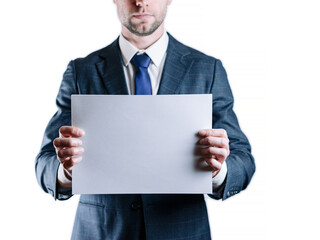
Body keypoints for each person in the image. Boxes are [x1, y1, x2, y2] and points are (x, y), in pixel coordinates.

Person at [35, 0, 255, 239]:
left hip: (181, 231)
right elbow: (44, 163)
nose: (141, 2)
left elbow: (243, 159)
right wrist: (67, 173)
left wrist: (218, 170)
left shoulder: (207, 69)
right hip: (102, 231)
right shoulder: (82, 71)